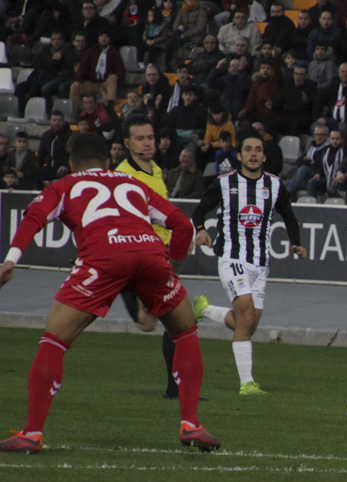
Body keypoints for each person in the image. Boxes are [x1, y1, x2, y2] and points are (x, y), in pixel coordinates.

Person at [0, 134, 220, 454]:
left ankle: (32, 433)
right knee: (185, 332)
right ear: (107, 162)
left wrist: (10, 260)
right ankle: (191, 424)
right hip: (149, 256)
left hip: (103, 260)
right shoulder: (132, 182)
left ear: (72, 164)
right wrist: (170, 263)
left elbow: (33, 218)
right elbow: (181, 223)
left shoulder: (64, 185)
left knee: (54, 340)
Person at [191, 131, 308, 396]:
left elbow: (288, 215)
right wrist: (200, 228)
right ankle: (247, 384)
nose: (253, 154)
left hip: (261, 263)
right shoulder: (224, 183)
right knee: (245, 318)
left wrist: (296, 242)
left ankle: (205, 310)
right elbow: (200, 209)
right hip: (232, 257)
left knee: (248, 325)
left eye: (258, 150)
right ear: (240, 155)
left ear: (264, 156)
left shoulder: (275, 185)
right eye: (248, 150)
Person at [113, 114, 193, 399]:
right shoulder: (123, 175)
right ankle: (125, 289)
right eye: (140, 139)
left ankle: (175, 389)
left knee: (173, 322)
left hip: (163, 254)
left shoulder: (156, 169)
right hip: (141, 255)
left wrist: (180, 237)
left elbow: (161, 211)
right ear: (127, 143)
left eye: (150, 138)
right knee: (161, 321)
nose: (147, 144)